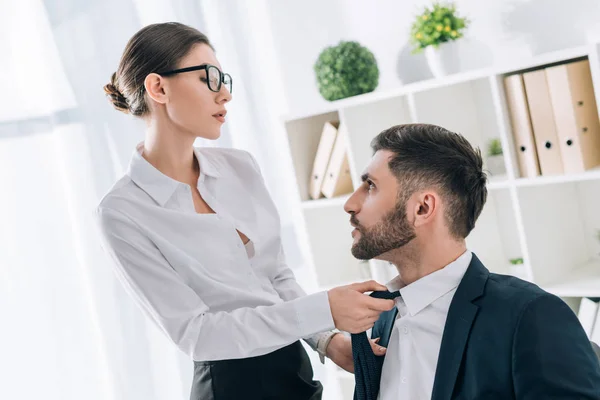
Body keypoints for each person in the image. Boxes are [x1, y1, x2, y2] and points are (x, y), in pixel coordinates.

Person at [96, 22, 394, 400]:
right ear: (158, 87)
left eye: (225, 80)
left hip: (296, 377)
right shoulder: (122, 213)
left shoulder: (241, 168)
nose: (224, 94)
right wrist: (323, 310)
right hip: (230, 389)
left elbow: (276, 278)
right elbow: (199, 336)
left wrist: (326, 340)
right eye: (210, 78)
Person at [332, 123, 600, 399]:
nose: (350, 203)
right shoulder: (381, 315)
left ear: (423, 208)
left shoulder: (530, 315)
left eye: (371, 186)